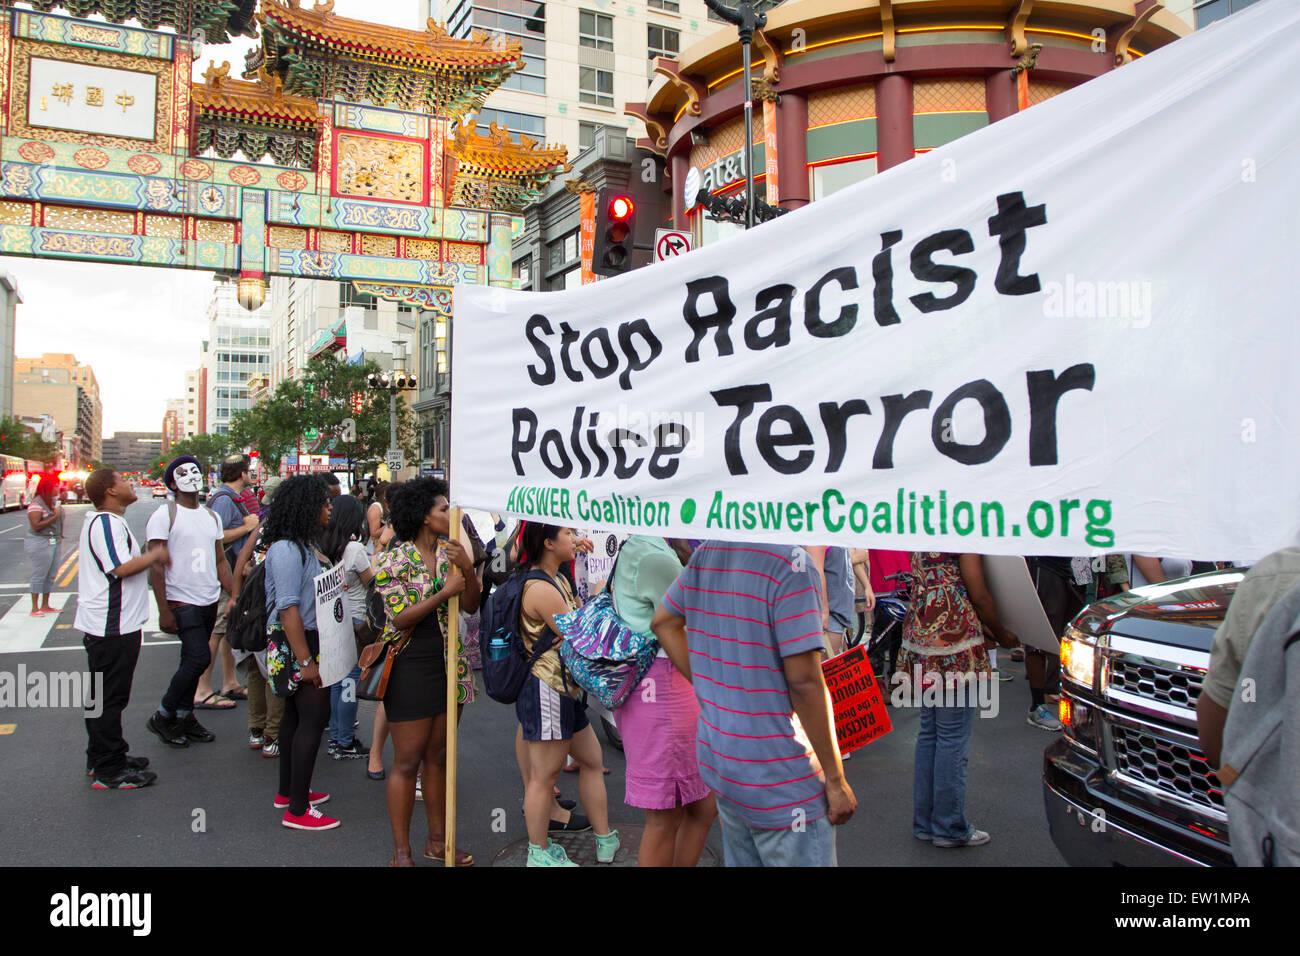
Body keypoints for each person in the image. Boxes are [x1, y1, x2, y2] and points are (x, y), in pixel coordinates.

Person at [652, 541, 854, 867]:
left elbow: (663, 621)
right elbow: (804, 682)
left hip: (726, 764)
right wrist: (835, 778)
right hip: (782, 776)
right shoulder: (792, 564)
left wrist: (713, 687)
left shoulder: (709, 552)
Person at [372, 478, 480, 865]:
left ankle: (438, 840)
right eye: (442, 509)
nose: (450, 514)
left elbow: (470, 604)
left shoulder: (453, 555)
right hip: (411, 667)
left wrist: (467, 568)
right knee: (407, 760)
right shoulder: (392, 560)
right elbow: (399, 618)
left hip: (451, 665)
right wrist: (444, 591)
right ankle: (401, 851)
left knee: (439, 756)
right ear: (422, 517)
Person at [514, 523, 619, 867]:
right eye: (567, 534)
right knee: (543, 777)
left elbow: (577, 626)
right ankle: (538, 853)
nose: (575, 540)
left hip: (566, 686)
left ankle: (604, 838)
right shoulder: (540, 586)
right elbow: (582, 633)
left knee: (591, 760)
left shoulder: (558, 577)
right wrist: (600, 593)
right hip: (547, 688)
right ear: (547, 543)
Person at [897, 552, 1017, 848]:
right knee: (951, 738)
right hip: (955, 641)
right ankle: (949, 826)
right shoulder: (963, 524)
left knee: (930, 733)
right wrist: (1002, 634)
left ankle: (925, 823)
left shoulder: (923, 520)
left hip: (922, 636)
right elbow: (979, 594)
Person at [610, 536, 715, 867]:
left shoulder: (643, 546)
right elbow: (692, 620)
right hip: (666, 686)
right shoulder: (656, 556)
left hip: (662, 684)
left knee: (700, 805)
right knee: (666, 816)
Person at [78, 469, 169, 789]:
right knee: (108, 699)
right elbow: (119, 568)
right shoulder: (104, 523)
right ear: (110, 491)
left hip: (112, 624)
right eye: (123, 480)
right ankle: (108, 769)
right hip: (110, 625)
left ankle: (104, 754)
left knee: (105, 697)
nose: (129, 483)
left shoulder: (108, 521)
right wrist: (155, 555)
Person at [261, 475, 336, 830]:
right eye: (324, 503)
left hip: (302, 638)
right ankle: (298, 810)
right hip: (297, 642)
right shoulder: (287, 550)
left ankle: (289, 792)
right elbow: (288, 608)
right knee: (314, 718)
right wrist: (306, 661)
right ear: (307, 507)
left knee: (294, 717)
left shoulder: (300, 547)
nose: (329, 508)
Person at [144, 456, 232, 749]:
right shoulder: (164, 515)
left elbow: (220, 560)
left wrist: (234, 595)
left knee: (190, 659)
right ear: (172, 483)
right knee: (199, 658)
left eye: (196, 470)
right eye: (184, 473)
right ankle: (164, 712)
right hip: (181, 599)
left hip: (208, 598)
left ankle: (184, 715)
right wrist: (163, 609)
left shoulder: (211, 517)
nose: (192, 476)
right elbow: (156, 565)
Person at [196, 454, 261, 709]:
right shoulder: (224, 499)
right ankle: (202, 688)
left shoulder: (227, 497)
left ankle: (229, 682)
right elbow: (217, 537)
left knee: (225, 630)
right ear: (242, 474)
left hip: (232, 572)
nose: (251, 474)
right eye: (249, 471)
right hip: (226, 574)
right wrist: (247, 528)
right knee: (217, 631)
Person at [231, 479, 284, 758]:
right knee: (274, 671)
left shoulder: (262, 525)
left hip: (251, 606)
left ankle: (256, 729)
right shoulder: (286, 528)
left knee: (255, 669)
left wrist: (236, 597)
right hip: (271, 607)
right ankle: (272, 735)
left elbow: (242, 559)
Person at [319, 494, 374, 760]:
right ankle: (345, 740)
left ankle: (336, 732)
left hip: (333, 621)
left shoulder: (324, 546)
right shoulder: (354, 550)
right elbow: (372, 585)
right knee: (350, 681)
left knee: (336, 682)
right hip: (355, 621)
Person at [25, 472, 64, 615]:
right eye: (55, 486)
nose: (57, 489)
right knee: (40, 574)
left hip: (54, 540)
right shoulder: (36, 504)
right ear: (47, 488)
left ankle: (45, 604)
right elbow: (36, 525)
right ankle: (34, 608)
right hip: (40, 541)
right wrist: (55, 516)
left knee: (51, 574)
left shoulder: (53, 503)